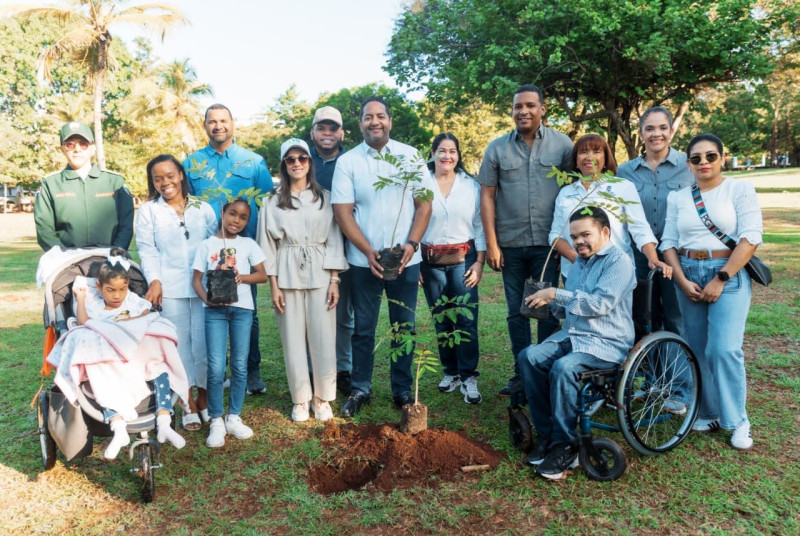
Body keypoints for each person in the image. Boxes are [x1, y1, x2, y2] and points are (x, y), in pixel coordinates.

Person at [331, 96, 433, 418]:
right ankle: (361, 387)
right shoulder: (347, 163)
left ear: (390, 120)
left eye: (380, 116)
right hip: (364, 263)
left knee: (404, 326)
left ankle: (402, 390)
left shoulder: (411, 156)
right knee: (364, 328)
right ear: (359, 123)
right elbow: (342, 212)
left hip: (405, 260)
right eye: (367, 117)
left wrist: (412, 244)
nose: (374, 122)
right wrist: (367, 250)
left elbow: (425, 203)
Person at [661, 133, 762, 451]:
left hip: (728, 275)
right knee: (698, 348)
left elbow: (751, 236)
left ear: (722, 157)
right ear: (688, 163)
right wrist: (680, 279)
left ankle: (737, 420)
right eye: (696, 158)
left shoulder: (738, 188)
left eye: (710, 156)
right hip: (689, 274)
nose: (703, 163)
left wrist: (720, 277)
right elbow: (668, 242)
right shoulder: (678, 197)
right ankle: (706, 413)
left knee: (724, 349)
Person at [518, 207, 636, 480]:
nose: (578, 242)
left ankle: (566, 445)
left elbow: (599, 304)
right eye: (574, 237)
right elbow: (571, 307)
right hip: (573, 336)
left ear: (605, 232)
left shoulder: (619, 262)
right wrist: (543, 303)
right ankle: (548, 438)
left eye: (585, 234)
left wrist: (556, 294)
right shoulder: (581, 263)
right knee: (529, 356)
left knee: (564, 368)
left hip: (606, 343)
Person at [477, 84, 573, 396]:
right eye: (518, 106)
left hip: (550, 244)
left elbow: (575, 190)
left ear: (543, 109)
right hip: (511, 244)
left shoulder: (563, 145)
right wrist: (492, 242)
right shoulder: (497, 149)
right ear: (512, 111)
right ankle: (521, 374)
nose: (524, 111)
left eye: (531, 105)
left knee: (547, 308)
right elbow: (487, 196)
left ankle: (544, 371)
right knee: (517, 311)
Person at [46, 249, 189, 459]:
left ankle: (164, 420)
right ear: (99, 287)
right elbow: (85, 324)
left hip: (137, 360)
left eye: (122, 289)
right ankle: (118, 428)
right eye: (111, 290)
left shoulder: (131, 300)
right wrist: (82, 298)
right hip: (110, 362)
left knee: (159, 366)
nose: (117, 295)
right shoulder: (94, 304)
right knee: (99, 377)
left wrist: (128, 322)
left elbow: (146, 314)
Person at [184, 104, 274, 396]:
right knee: (211, 308)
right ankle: (215, 370)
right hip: (207, 247)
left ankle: (251, 370)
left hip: (243, 246)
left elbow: (264, 206)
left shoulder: (253, 162)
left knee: (247, 309)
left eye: (223, 121)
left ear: (233, 124)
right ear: (205, 125)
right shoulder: (192, 163)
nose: (218, 126)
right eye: (212, 121)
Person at [258, 138, 348, 421]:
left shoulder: (326, 198)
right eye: (290, 160)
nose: (297, 164)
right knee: (292, 338)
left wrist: (334, 280)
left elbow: (334, 239)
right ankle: (300, 399)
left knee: (323, 336)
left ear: (310, 162)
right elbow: (266, 246)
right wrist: (273, 286)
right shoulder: (271, 202)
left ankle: (322, 398)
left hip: (321, 272)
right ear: (284, 166)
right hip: (286, 274)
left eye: (302, 158)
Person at [135, 155, 218, 430]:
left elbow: (214, 245)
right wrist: (155, 280)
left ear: (181, 175)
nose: (165, 182)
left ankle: (204, 398)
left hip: (203, 286)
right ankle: (187, 401)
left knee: (204, 342)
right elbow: (147, 249)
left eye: (169, 175)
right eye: (157, 178)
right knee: (178, 344)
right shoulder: (148, 211)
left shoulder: (203, 208)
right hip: (169, 287)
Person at [192, 198, 267, 448]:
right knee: (215, 367)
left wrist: (241, 277)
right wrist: (207, 300)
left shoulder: (248, 244)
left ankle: (233, 416)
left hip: (242, 311)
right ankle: (216, 420)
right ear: (222, 213)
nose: (237, 220)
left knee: (239, 364)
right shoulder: (207, 245)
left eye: (243, 217)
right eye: (232, 214)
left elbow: (262, 275)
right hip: (214, 312)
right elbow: (196, 280)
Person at [549, 133, 672, 282]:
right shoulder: (566, 192)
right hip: (575, 273)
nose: (589, 157)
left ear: (606, 159)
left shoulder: (622, 187)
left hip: (616, 272)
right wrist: (578, 260)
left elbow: (640, 228)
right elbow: (555, 235)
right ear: (575, 160)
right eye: (583, 152)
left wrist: (653, 258)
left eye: (596, 151)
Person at [420, 133, 486, 404]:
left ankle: (468, 375)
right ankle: (451, 372)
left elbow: (480, 224)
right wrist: (414, 266)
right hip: (430, 261)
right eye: (442, 150)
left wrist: (480, 262)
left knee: (466, 319)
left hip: (464, 260)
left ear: (458, 155)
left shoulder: (471, 186)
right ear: (433, 152)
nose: (447, 155)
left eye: (453, 151)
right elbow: (411, 223)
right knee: (441, 318)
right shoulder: (421, 184)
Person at [617, 107, 693, 336]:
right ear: (641, 133)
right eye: (649, 128)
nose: (656, 134)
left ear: (671, 131)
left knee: (676, 314)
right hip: (639, 254)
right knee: (644, 315)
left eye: (662, 128)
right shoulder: (625, 171)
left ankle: (679, 370)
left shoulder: (688, 165)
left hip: (676, 252)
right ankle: (650, 369)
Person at [309, 106, 353, 395]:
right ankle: (314, 369)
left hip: (347, 246)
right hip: (310, 251)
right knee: (313, 312)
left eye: (332, 128)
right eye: (321, 128)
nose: (327, 134)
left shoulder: (351, 162)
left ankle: (344, 368)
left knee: (344, 314)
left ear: (342, 133)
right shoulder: (303, 162)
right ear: (312, 133)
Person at [35, 121, 134, 251]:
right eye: (70, 144)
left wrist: (116, 253)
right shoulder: (50, 184)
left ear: (92, 148)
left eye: (83, 144)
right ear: (62, 149)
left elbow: (126, 225)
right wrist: (63, 256)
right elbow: (44, 230)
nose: (77, 149)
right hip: (67, 261)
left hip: (109, 258)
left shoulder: (115, 182)